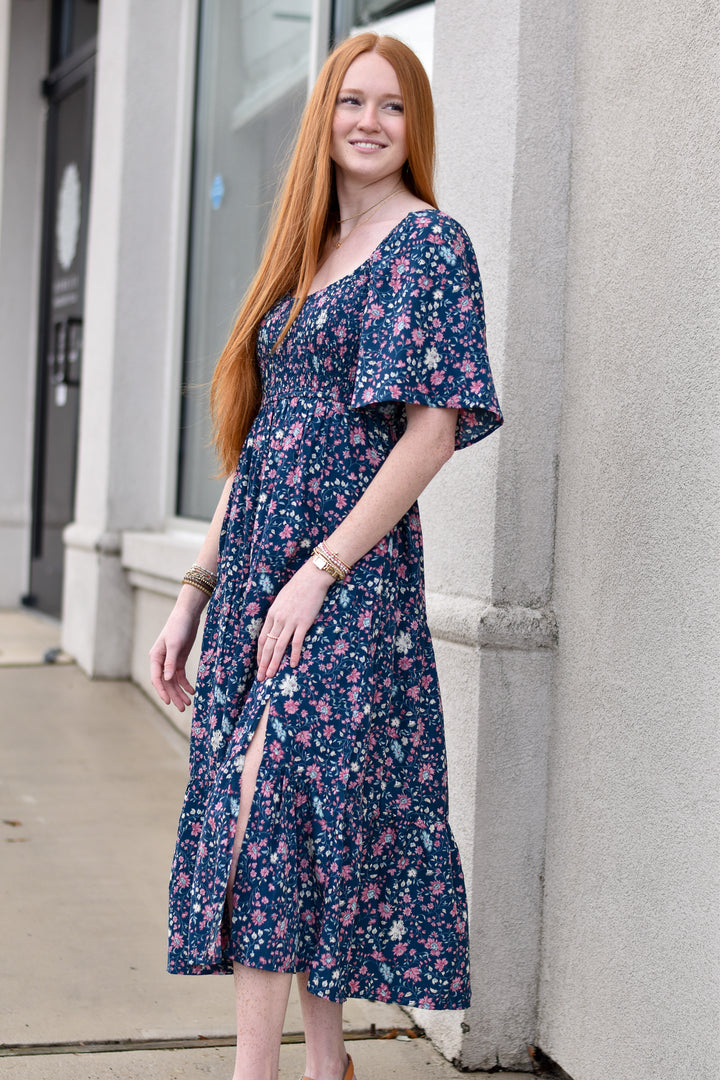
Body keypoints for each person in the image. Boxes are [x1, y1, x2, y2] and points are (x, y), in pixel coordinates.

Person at [150, 30, 502, 1080]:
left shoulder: (430, 246)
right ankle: (326, 1064)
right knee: (298, 831)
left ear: (415, 128)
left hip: (348, 581)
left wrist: (322, 571)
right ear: (325, 117)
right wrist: (192, 595)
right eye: (353, 100)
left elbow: (431, 432)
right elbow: (257, 449)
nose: (370, 122)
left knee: (273, 814)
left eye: (394, 107)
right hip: (260, 577)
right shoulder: (299, 258)